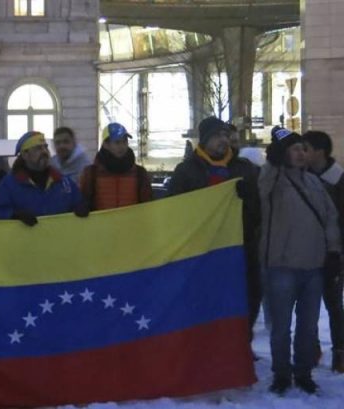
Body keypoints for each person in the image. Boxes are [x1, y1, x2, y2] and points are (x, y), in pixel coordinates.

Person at [260, 128, 341, 394]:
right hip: (281, 265)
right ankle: (282, 374)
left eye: (303, 149)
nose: (301, 153)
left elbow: (330, 219)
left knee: (308, 326)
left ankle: (303, 372)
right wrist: (273, 158)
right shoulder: (273, 180)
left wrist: (332, 252)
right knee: (281, 327)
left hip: (313, 268)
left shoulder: (315, 183)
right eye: (295, 149)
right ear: (283, 154)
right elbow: (263, 186)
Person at [168, 116, 262, 346]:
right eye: (217, 136)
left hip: (239, 247)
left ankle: (240, 347)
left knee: (245, 300)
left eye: (225, 135)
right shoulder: (186, 171)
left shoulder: (243, 169)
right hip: (201, 250)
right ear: (205, 140)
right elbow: (173, 209)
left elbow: (259, 210)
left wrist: (247, 196)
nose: (224, 140)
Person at [303, 130, 344, 373]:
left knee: (333, 304)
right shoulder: (300, 176)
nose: (302, 153)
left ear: (319, 152)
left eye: (306, 148)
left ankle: (339, 352)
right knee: (307, 303)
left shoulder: (339, 180)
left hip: (333, 253)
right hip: (305, 251)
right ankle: (312, 347)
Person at [0, 131, 87, 225]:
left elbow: (78, 201)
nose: (44, 151)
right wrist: (13, 215)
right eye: (38, 148)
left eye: (45, 147)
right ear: (25, 155)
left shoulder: (63, 182)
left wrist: (81, 207)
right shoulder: (9, 185)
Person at [78, 122, 153, 210]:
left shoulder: (140, 173)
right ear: (106, 144)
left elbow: (148, 205)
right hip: (101, 223)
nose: (122, 146)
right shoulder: (91, 173)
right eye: (117, 142)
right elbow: (82, 201)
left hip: (132, 223)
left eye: (125, 141)